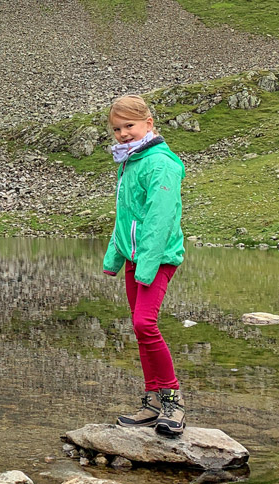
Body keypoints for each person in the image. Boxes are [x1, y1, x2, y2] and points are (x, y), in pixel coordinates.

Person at [103, 94, 187, 436]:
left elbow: (159, 220)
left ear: (148, 124)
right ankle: (153, 401)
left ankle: (172, 400)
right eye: (117, 128)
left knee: (145, 323)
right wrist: (115, 256)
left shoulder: (160, 163)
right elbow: (126, 217)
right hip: (135, 259)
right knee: (140, 329)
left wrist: (147, 266)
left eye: (130, 126)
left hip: (157, 258)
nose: (123, 134)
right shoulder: (130, 162)